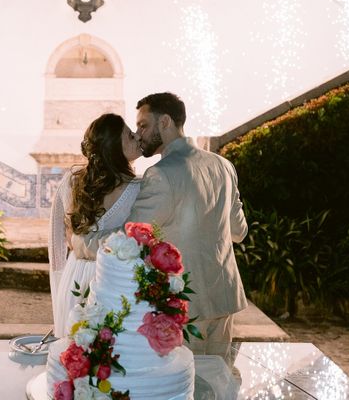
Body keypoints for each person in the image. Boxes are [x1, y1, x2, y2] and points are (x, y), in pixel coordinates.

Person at [77, 92, 248, 364]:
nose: (139, 134)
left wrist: (83, 243)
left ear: (165, 122)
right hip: (225, 299)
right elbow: (239, 232)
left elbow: (130, 239)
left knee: (185, 387)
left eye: (144, 125)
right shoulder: (223, 166)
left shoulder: (161, 174)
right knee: (220, 383)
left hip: (185, 305)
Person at [48, 113, 142, 337]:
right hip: (113, 279)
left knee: (76, 354)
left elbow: (57, 243)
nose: (137, 137)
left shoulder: (71, 180)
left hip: (75, 275)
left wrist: (61, 285)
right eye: (129, 135)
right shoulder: (140, 188)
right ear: (113, 147)